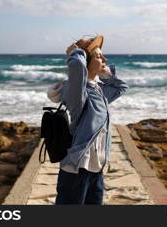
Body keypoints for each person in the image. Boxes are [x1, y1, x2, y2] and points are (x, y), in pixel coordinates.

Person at [46, 35, 128, 205]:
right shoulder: (79, 93)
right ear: (86, 62)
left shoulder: (98, 90)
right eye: (98, 56)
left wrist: (104, 72)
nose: (105, 59)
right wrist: (77, 52)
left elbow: (121, 87)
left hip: (96, 169)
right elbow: (76, 67)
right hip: (77, 170)